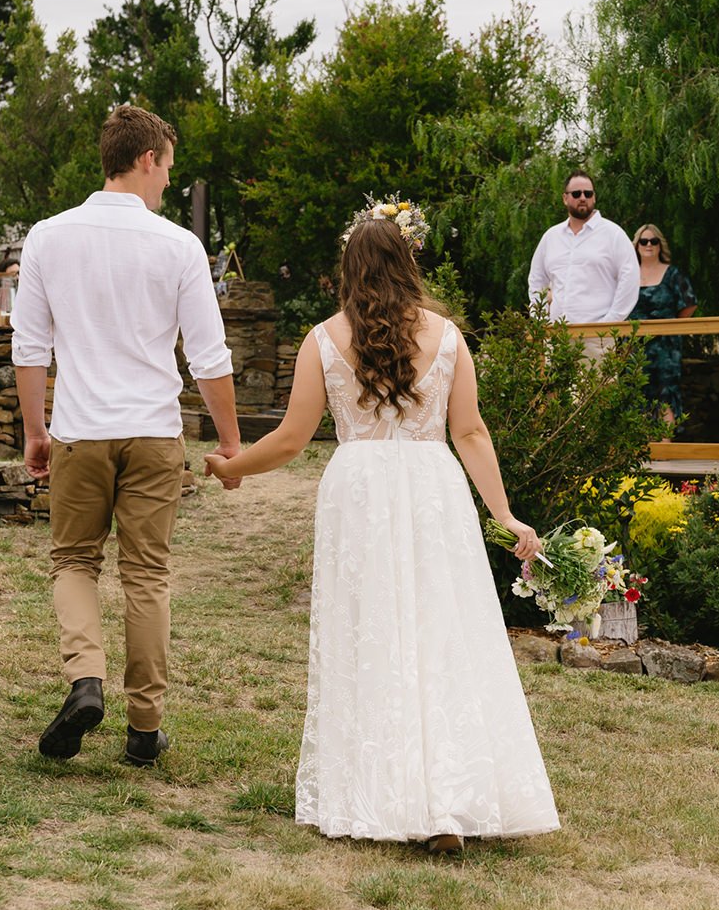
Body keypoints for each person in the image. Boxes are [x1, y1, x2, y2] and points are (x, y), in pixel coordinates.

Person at [205, 199, 560, 854]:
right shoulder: (448, 338)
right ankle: (448, 806)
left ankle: (385, 792)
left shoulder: (322, 340)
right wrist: (503, 513)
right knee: (441, 635)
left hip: (360, 492)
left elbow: (290, 439)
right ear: (408, 265)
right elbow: (470, 431)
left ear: (347, 270)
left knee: (369, 635)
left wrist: (235, 468)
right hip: (433, 489)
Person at [12, 105, 241, 767]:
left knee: (75, 561)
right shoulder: (177, 246)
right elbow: (209, 356)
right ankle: (145, 726)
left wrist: (36, 430)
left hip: (81, 431)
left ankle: (85, 679)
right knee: (146, 574)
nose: (168, 180)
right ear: (147, 160)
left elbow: (30, 346)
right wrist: (229, 443)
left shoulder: (48, 237)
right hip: (153, 434)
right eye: (168, 166)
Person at [528, 171, 640, 359]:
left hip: (597, 339)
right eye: (576, 193)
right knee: (554, 389)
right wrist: (540, 319)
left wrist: (608, 324)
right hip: (556, 337)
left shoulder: (613, 234)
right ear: (565, 198)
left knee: (599, 389)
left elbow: (630, 280)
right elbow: (536, 280)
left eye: (588, 194)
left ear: (594, 197)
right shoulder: (551, 237)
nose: (582, 198)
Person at [629, 223, 697, 425]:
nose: (648, 244)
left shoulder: (673, 275)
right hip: (633, 346)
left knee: (664, 395)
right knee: (636, 394)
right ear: (636, 245)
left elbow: (689, 304)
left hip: (665, 348)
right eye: (644, 241)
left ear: (660, 245)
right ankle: (639, 450)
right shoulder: (628, 275)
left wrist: (672, 327)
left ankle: (665, 450)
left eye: (653, 241)